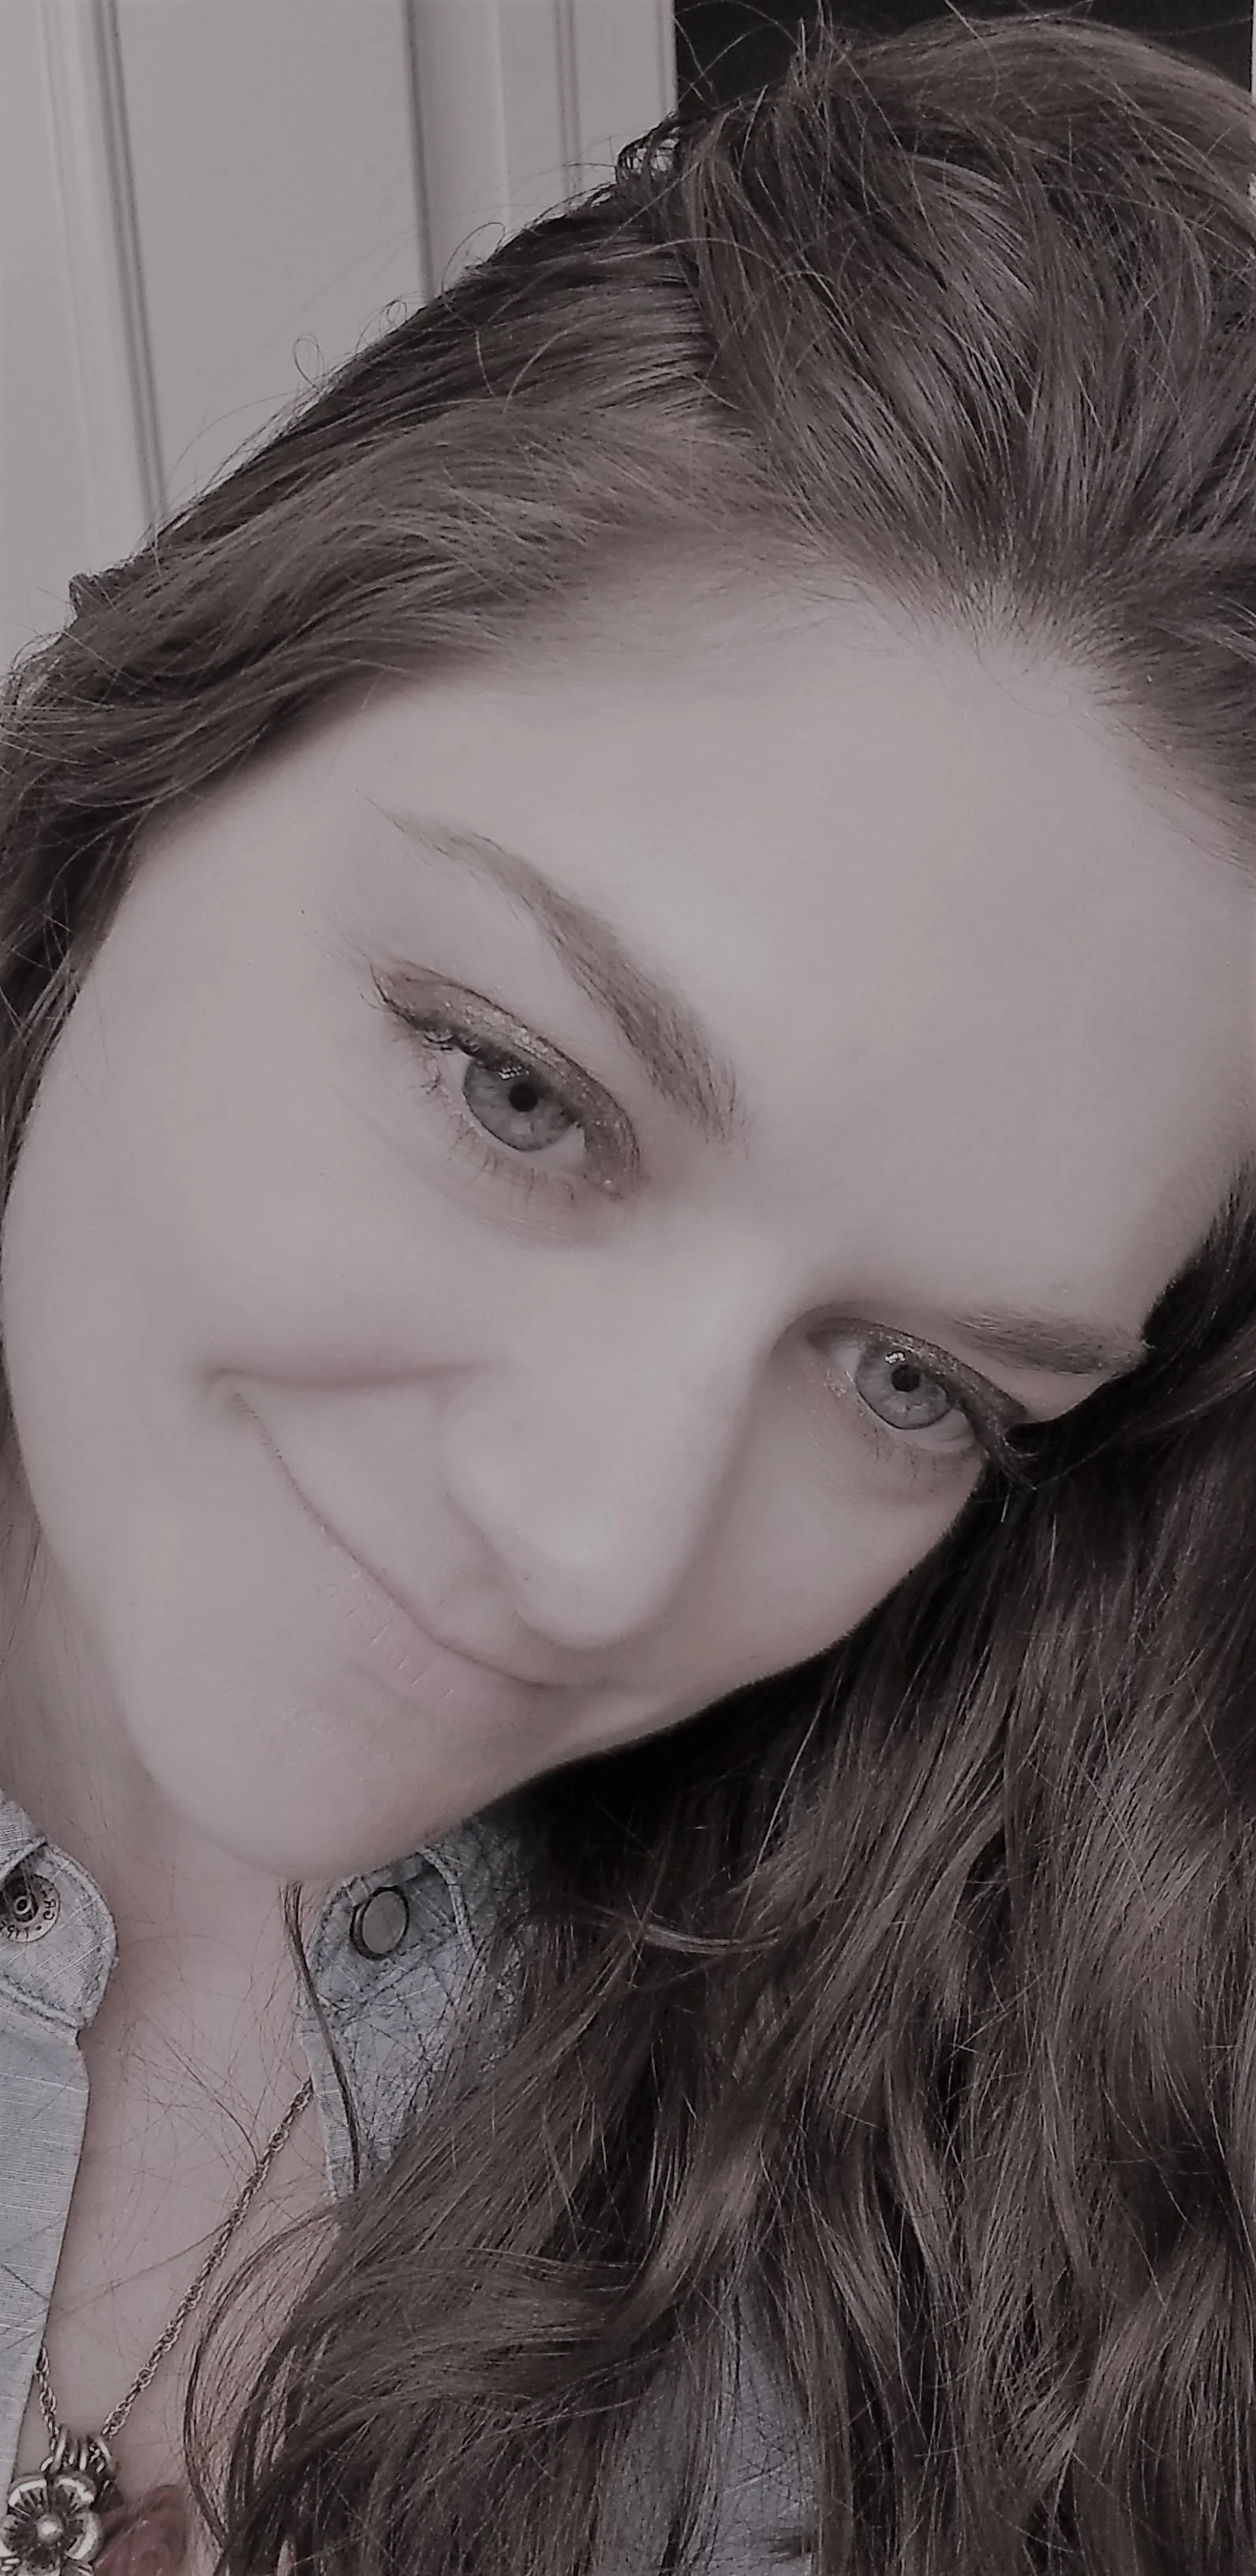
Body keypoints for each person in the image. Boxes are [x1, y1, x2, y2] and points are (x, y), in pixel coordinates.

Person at [2, 6, 1256, 2570]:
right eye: (516, 1090)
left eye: (911, 1379)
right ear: (160, 763)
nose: (597, 1548)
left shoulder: (1065, 2156)